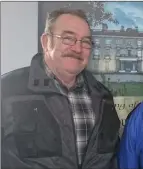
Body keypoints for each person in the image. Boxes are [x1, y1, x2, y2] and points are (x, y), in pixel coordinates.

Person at [1, 8, 120, 169]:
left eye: (85, 42)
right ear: (45, 42)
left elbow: (111, 159)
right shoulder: (7, 88)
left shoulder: (103, 96)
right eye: (68, 38)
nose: (77, 49)